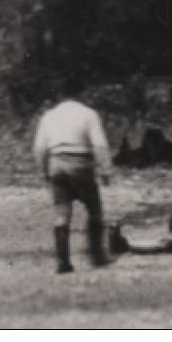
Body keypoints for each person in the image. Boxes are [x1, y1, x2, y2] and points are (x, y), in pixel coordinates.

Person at [33, 75, 114, 274]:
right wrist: (105, 169)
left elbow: (39, 148)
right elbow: (99, 144)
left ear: (61, 94)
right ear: (82, 92)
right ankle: (97, 256)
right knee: (94, 209)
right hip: (80, 163)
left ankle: (63, 261)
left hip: (57, 163)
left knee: (62, 213)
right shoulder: (89, 114)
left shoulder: (49, 115)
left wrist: (44, 171)